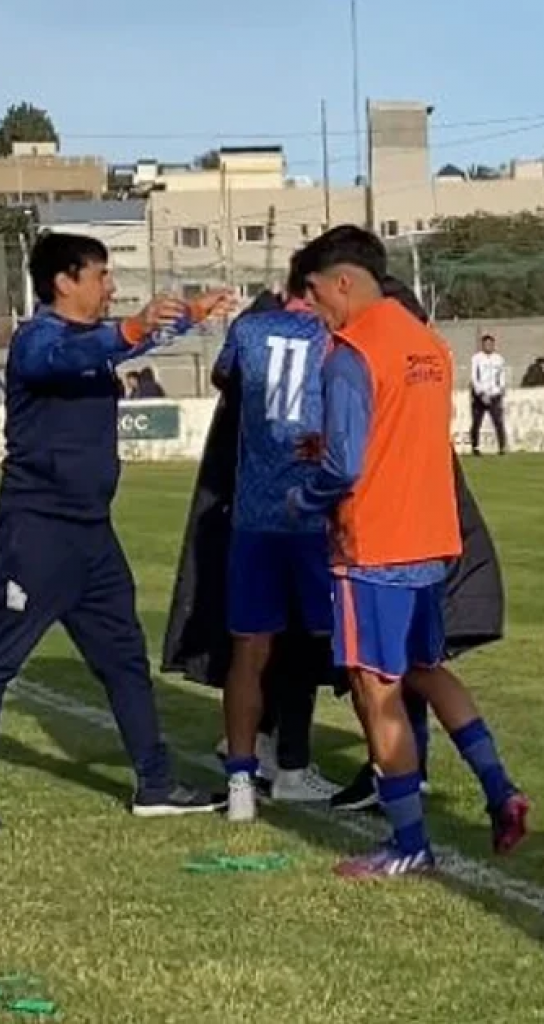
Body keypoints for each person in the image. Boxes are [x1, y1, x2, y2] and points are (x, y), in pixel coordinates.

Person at [0, 233, 231, 833]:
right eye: (101, 275)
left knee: (125, 661)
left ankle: (155, 783)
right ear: (64, 281)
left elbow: (121, 344)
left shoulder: (94, 343)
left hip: (93, 536)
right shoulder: (38, 339)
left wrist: (186, 317)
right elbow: (71, 355)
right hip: (37, 534)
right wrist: (131, 328)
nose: (110, 286)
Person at [290, 226, 528, 877]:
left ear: (342, 281)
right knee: (427, 668)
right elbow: (400, 433)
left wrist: (302, 499)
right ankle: (500, 788)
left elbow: (344, 465)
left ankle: (408, 843)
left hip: (373, 543)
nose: (312, 306)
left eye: (313, 292)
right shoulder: (427, 345)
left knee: (377, 691)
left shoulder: (350, 353)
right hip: (431, 538)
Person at [212, 259, 341, 820]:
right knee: (330, 646)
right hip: (313, 514)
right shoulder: (333, 334)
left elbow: (225, 379)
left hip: (254, 514)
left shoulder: (248, 328)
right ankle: (314, 765)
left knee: (250, 649)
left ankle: (241, 782)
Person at [469, 334, 509, 455]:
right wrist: (481, 393)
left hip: (494, 394)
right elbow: (474, 377)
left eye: (490, 344)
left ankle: (502, 447)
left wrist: (501, 388)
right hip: (480, 395)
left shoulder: (499, 359)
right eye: (486, 344)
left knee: (498, 421)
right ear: (482, 345)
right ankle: (475, 447)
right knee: (476, 422)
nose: (488, 346)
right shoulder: (477, 358)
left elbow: (501, 375)